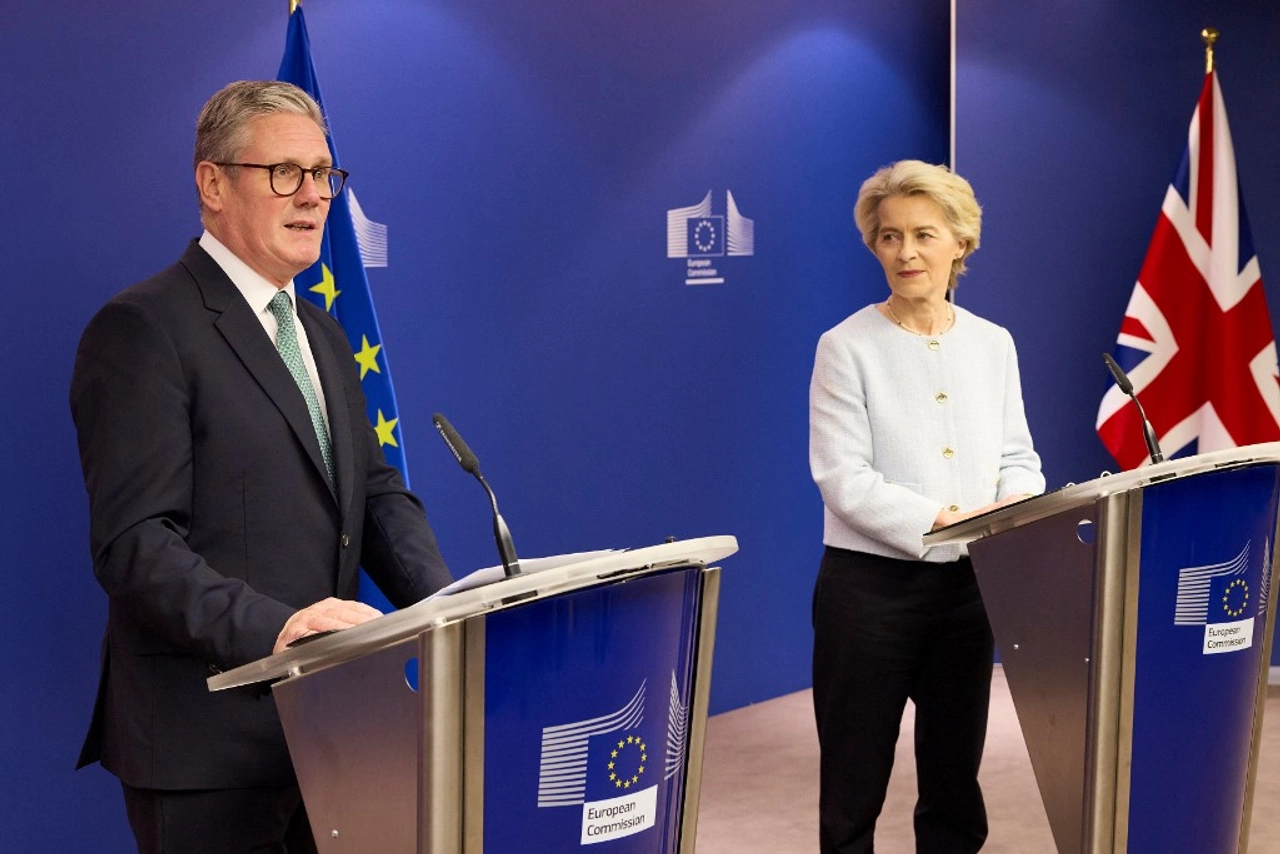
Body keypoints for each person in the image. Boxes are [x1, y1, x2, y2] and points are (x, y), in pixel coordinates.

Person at [70, 80, 453, 853]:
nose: (313, 196)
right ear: (213, 183)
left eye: (323, 174)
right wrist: (276, 629)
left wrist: (451, 609)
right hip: (203, 741)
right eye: (285, 172)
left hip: (327, 728)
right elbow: (136, 543)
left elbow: (373, 493)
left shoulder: (320, 332)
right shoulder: (144, 329)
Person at [808, 160, 1044, 853]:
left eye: (923, 234)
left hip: (970, 591)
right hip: (868, 593)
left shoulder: (993, 343)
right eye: (888, 237)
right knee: (854, 782)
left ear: (960, 243)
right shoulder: (846, 347)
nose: (906, 252)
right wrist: (935, 520)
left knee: (953, 779)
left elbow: (1017, 456)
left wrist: (1014, 508)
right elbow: (840, 475)